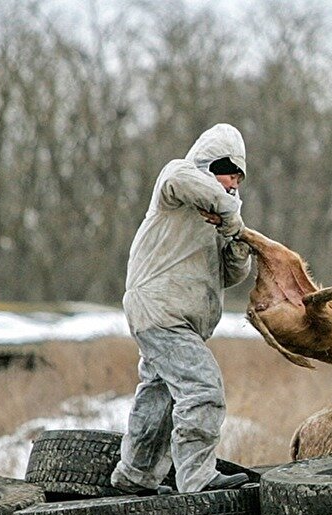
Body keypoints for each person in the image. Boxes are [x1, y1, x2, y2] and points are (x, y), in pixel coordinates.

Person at [110, 123, 256, 495]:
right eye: (228, 172)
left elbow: (230, 275)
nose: (234, 183)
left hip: (179, 321)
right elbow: (187, 181)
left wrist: (236, 242)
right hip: (161, 313)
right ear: (208, 165)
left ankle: (135, 477)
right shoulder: (176, 181)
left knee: (158, 398)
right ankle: (197, 479)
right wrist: (230, 215)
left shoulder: (217, 218)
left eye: (238, 177)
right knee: (203, 389)